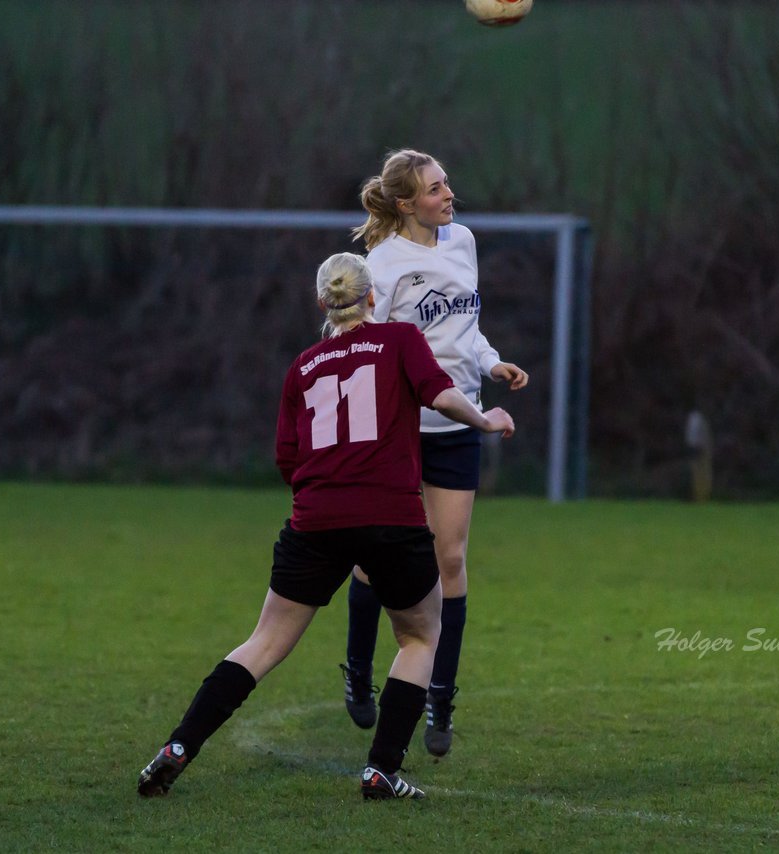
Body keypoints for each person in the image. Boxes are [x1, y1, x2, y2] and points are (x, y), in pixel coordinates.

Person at [136, 252, 515, 800]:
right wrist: (485, 419)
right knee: (419, 634)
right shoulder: (401, 339)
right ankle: (382, 769)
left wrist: (328, 503)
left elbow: (287, 460)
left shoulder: (303, 366)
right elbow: (441, 395)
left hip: (315, 519)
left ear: (322, 304)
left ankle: (178, 746)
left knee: (262, 643)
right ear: (371, 298)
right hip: (390, 516)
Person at [339, 149, 529, 757]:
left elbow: (465, 329)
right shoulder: (384, 263)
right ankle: (357, 668)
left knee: (450, 561)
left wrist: (488, 360)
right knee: (376, 557)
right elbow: (370, 347)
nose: (449, 195)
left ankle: (439, 696)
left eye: (447, 183)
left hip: (456, 428)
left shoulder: (463, 241)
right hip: (401, 431)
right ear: (405, 203)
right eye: (435, 188)